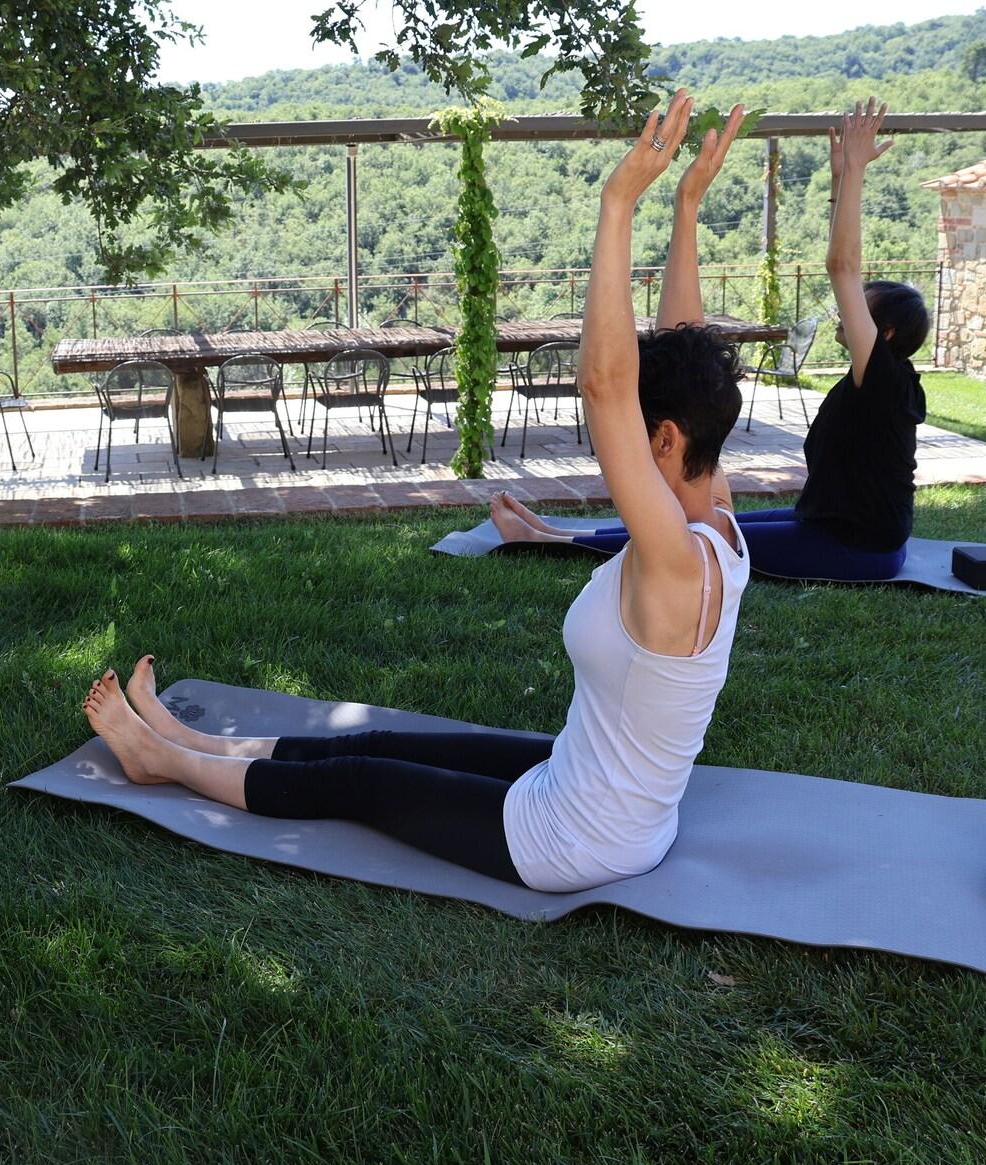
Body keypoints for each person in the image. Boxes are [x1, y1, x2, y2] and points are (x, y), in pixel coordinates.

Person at [78, 93, 751, 892]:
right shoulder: (716, 518)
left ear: (665, 439)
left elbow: (608, 385)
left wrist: (617, 203)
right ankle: (179, 735)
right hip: (604, 798)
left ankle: (158, 760)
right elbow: (687, 359)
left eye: (640, 438)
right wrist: (685, 207)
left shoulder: (671, 562)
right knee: (391, 742)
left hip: (570, 841)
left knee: (359, 783)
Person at [492, 99, 929, 582]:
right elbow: (845, 270)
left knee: (705, 536)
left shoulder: (886, 381)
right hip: (828, 523)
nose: (848, 309)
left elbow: (842, 267)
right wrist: (841, 182)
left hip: (856, 546)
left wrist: (856, 176)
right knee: (722, 525)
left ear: (885, 333)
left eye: (862, 307)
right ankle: (555, 532)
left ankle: (548, 542)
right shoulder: (883, 383)